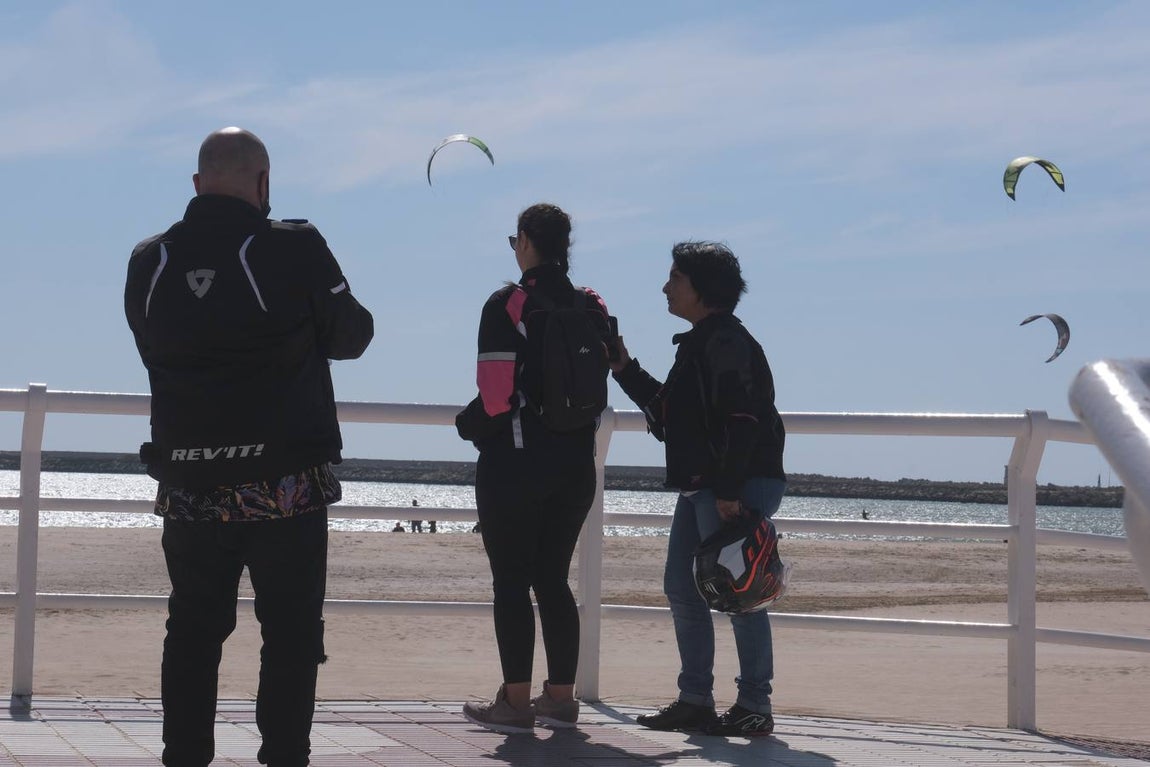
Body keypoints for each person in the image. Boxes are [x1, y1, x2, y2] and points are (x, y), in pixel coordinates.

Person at [124, 127, 374, 766]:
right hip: (284, 486)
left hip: (189, 483)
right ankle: (285, 756)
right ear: (264, 184)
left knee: (192, 632)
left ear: (197, 183)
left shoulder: (148, 260)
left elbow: (151, 347)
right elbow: (352, 336)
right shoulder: (294, 246)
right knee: (290, 635)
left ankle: (183, 757)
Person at [609, 241, 785, 738]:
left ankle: (754, 705)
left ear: (702, 287)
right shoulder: (702, 342)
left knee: (740, 593)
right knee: (684, 588)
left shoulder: (726, 341)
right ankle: (695, 701)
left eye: (675, 278)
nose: (666, 287)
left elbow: (744, 418)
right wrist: (623, 367)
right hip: (703, 484)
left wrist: (729, 490)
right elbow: (668, 413)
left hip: (731, 483)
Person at [455, 202, 612, 734]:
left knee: (511, 582)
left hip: (517, 464)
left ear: (524, 240)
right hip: (577, 465)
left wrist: (467, 424)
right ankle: (561, 700)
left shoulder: (508, 304)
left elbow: (496, 398)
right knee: (553, 580)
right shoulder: (591, 303)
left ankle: (515, 703)